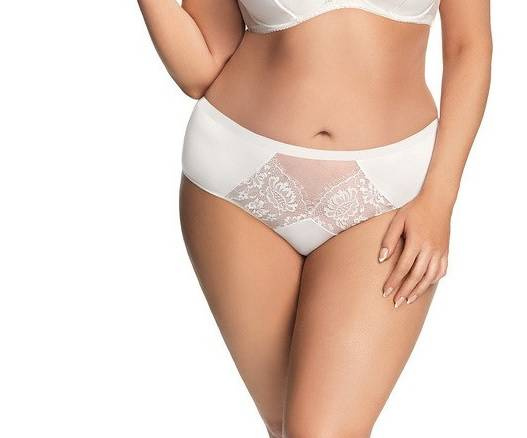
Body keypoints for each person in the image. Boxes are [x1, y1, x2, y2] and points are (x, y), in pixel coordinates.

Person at [138, 1, 492, 436]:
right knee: (285, 424)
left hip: (389, 193)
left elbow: (468, 47)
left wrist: (440, 198)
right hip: (237, 174)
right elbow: (203, 66)